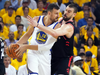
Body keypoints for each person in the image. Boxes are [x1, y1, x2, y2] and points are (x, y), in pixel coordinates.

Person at [27, 3, 78, 75]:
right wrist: (38, 19)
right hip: (53, 55)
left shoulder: (69, 27)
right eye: (66, 10)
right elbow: (48, 19)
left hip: (64, 58)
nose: (66, 12)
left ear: (74, 14)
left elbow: (54, 33)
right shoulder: (60, 20)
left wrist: (37, 25)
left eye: (69, 11)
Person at [16, 4, 60, 75]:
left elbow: (46, 47)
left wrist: (25, 46)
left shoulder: (57, 26)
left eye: (58, 13)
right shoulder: (36, 19)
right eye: (56, 13)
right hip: (32, 53)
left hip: (45, 55)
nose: (58, 16)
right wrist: (16, 45)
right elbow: (28, 34)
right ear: (49, 13)